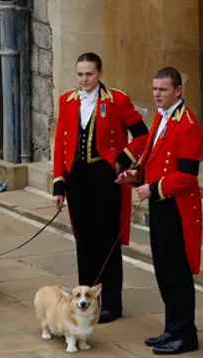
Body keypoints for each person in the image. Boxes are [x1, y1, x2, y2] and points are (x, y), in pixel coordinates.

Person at [52, 52, 149, 324]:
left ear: (100, 74)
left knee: (107, 239)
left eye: (90, 74)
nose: (84, 80)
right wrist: (58, 184)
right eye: (80, 74)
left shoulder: (116, 100)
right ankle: (87, 299)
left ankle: (113, 303)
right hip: (77, 178)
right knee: (84, 239)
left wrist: (123, 160)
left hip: (105, 176)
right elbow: (60, 144)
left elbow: (142, 134)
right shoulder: (67, 101)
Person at [116, 66, 203, 355]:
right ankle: (171, 328)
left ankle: (185, 335)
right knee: (163, 270)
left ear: (178, 91)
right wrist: (135, 176)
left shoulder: (187, 124)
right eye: (154, 89)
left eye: (163, 89)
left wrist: (153, 189)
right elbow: (151, 159)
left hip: (177, 209)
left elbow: (187, 176)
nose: (157, 95)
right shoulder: (161, 119)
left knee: (177, 272)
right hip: (160, 206)